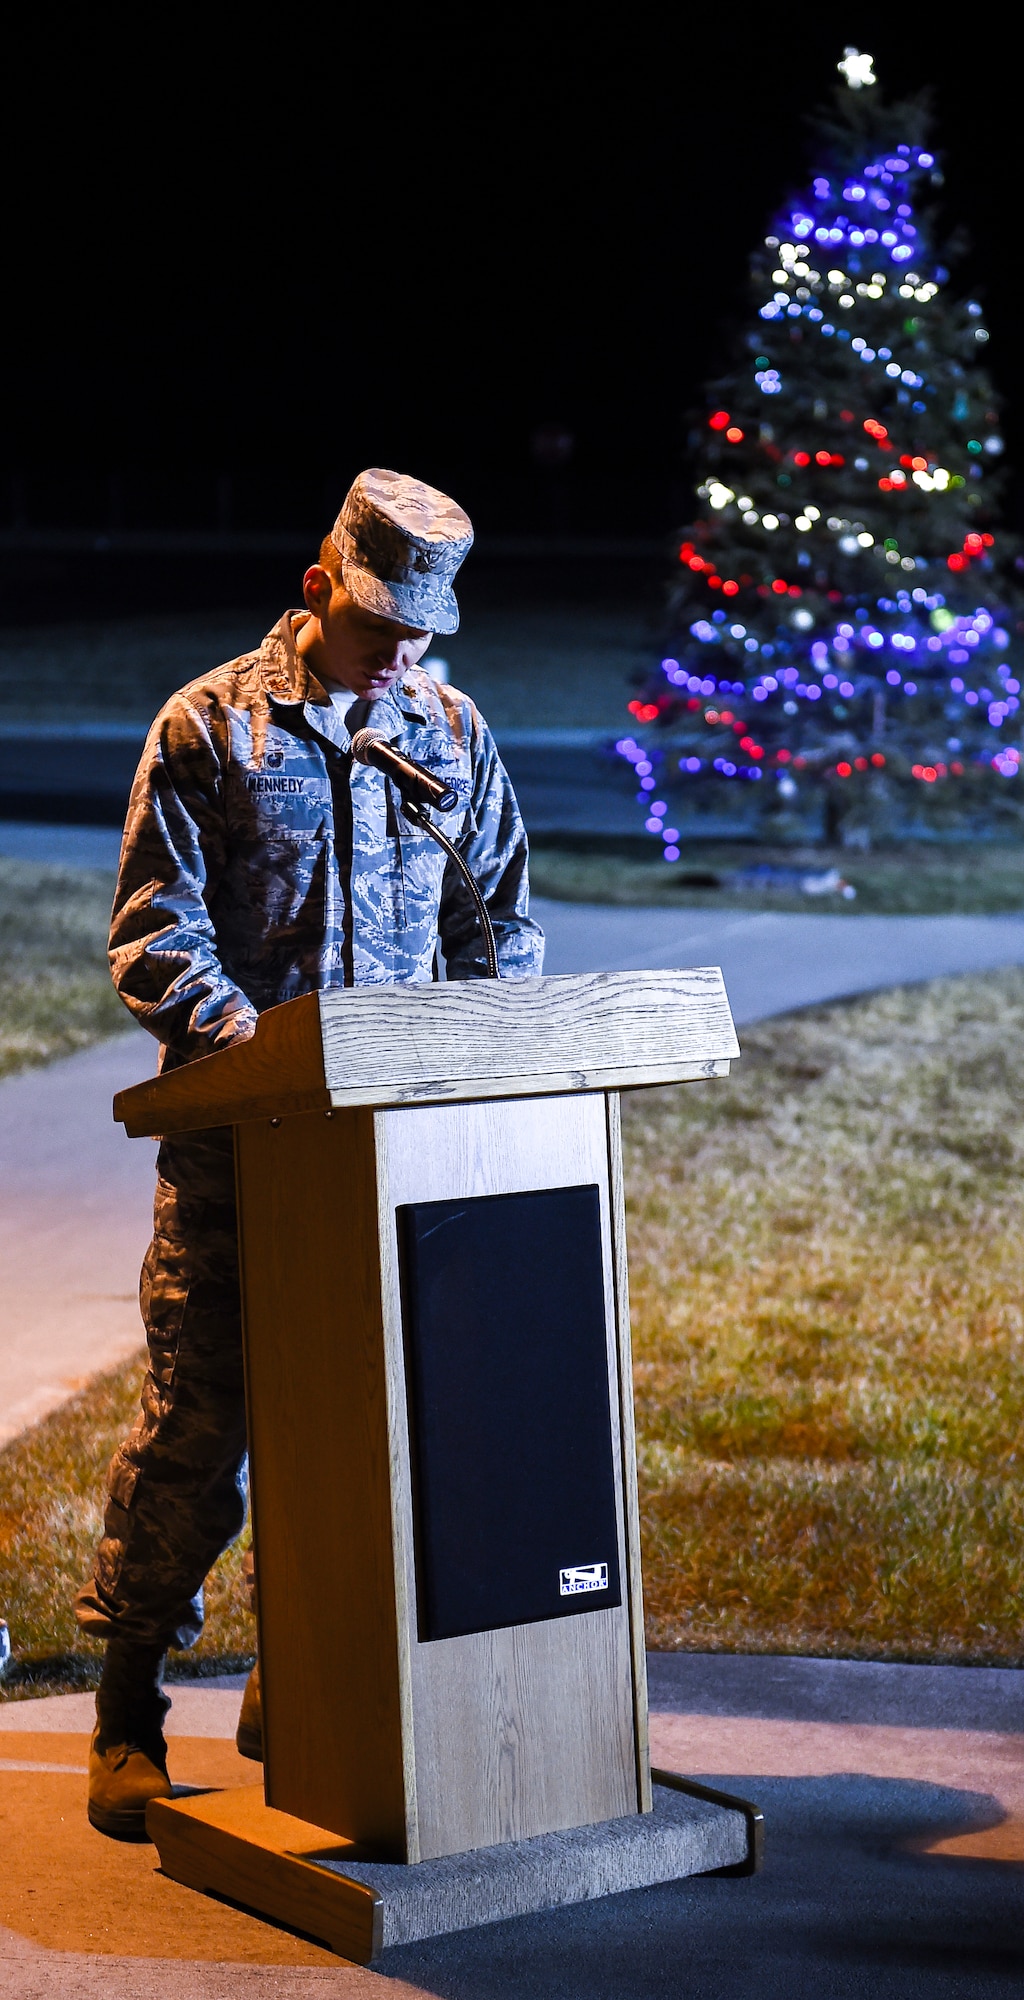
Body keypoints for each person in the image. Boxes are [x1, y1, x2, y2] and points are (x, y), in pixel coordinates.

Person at [76, 469, 544, 1837]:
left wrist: (478, 1057)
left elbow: (500, 916)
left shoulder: (450, 731)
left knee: (368, 1438)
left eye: (424, 627)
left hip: (395, 1165)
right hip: (243, 1154)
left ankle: (306, 1685)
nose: (405, 647)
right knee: (199, 1435)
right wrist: (265, 1064)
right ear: (319, 580)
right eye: (385, 616)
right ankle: (127, 1710)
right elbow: (157, 933)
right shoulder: (211, 725)